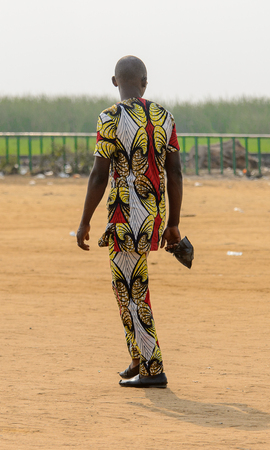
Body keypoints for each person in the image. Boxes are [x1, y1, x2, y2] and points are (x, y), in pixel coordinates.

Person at [77, 55, 182, 388]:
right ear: (145, 82)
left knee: (133, 290)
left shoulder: (110, 117)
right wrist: (173, 223)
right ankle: (138, 357)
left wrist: (84, 222)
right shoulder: (165, 117)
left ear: (114, 82)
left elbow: (99, 175)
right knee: (123, 287)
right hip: (152, 214)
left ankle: (153, 369)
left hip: (125, 216)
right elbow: (175, 172)